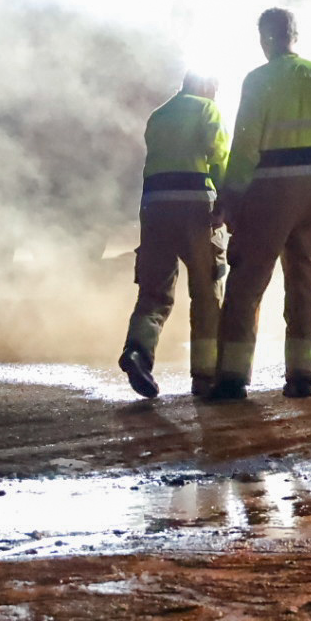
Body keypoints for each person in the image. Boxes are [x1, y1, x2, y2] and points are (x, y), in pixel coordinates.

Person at [213, 8, 311, 400]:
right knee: (307, 283)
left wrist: (231, 198)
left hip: (268, 191)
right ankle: (303, 374)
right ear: (295, 36)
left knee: (247, 283)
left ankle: (232, 377)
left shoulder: (257, 80)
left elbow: (244, 146)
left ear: (265, 39)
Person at [118, 71, 230, 399]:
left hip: (154, 209)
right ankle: (205, 375)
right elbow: (219, 157)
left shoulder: (158, 115)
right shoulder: (207, 109)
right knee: (207, 293)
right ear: (207, 84)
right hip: (195, 207)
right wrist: (226, 200)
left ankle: (138, 352)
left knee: (154, 293)